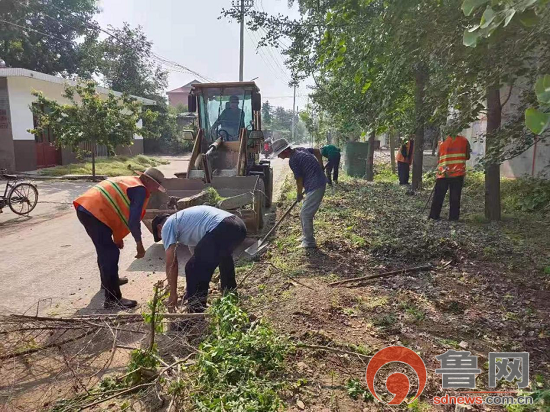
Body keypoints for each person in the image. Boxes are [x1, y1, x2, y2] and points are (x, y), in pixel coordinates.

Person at [73, 168, 165, 309]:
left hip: (90, 210)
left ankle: (108, 282)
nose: (155, 190)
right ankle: (113, 299)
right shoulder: (139, 189)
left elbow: (117, 211)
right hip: (93, 212)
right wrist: (139, 244)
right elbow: (133, 221)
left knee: (105, 249)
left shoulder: (131, 183)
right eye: (155, 186)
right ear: (147, 180)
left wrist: (117, 237)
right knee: (109, 253)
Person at [152, 206, 247, 313]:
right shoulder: (186, 222)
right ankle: (230, 297)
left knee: (191, 268)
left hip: (223, 226)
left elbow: (172, 263)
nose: (163, 239)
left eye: (161, 237)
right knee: (223, 256)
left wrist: (173, 294)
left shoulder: (167, 225)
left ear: (160, 227)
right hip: (238, 226)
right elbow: (201, 256)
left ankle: (195, 314)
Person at [272, 138, 327, 249]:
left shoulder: (293, 160)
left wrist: (298, 194)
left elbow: (299, 180)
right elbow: (317, 151)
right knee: (304, 212)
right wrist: (321, 166)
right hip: (316, 182)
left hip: (316, 185)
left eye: (279, 154)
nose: (278, 156)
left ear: (285, 151)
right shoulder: (300, 149)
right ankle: (305, 236)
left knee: (305, 214)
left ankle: (309, 242)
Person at [429, 134, 471, 221]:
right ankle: (453, 218)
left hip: (443, 173)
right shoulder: (464, 141)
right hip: (457, 173)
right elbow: (467, 156)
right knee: (455, 197)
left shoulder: (442, 142)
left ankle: (434, 216)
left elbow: (439, 157)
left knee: (438, 196)